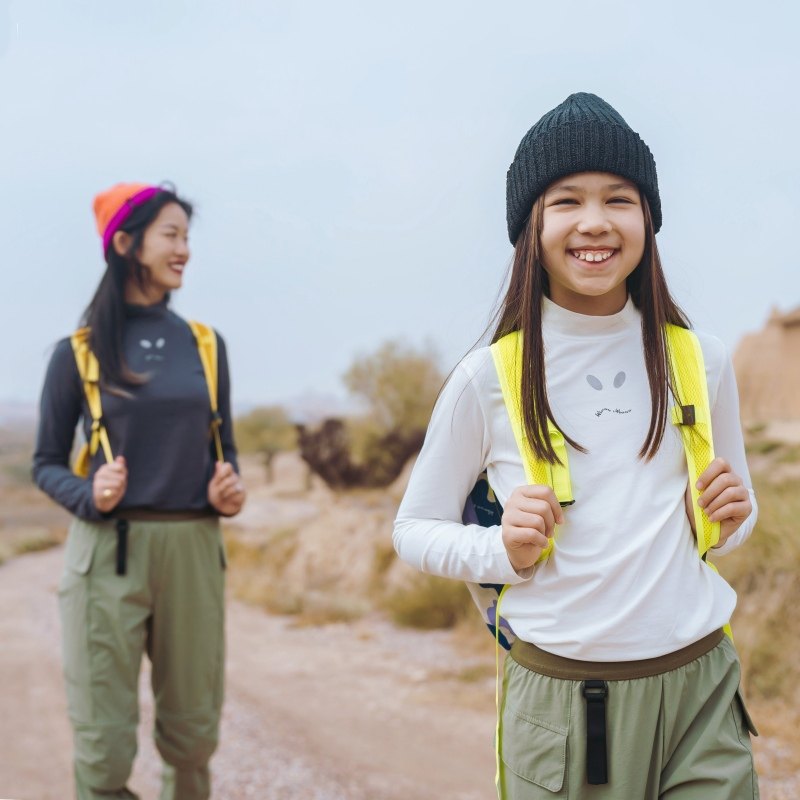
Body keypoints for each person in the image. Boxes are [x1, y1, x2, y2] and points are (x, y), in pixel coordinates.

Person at [393, 93, 759, 798]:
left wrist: (722, 521)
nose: (595, 222)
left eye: (618, 199)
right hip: (568, 704)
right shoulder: (486, 377)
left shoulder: (702, 360)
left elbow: (730, 529)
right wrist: (502, 550)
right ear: (531, 226)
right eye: (566, 201)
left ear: (647, 218)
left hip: (705, 687)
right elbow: (413, 528)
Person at [33, 182, 245, 800]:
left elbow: (224, 447)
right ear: (126, 244)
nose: (185, 250)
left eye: (187, 236)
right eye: (171, 235)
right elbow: (45, 462)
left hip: (194, 551)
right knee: (102, 747)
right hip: (106, 554)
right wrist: (88, 493)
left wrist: (230, 488)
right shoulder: (76, 353)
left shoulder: (205, 346)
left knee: (192, 736)